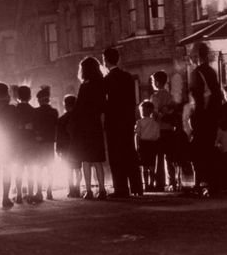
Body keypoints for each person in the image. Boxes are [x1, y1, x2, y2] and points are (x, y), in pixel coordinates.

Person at [103, 47, 143, 198]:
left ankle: (121, 188)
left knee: (116, 155)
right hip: (127, 120)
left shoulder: (106, 80)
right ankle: (137, 187)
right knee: (129, 152)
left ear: (105, 60)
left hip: (113, 121)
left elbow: (105, 102)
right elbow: (132, 100)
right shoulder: (127, 77)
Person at [68, 57, 108, 200]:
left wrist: (72, 123)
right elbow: (103, 104)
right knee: (97, 159)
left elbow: (78, 106)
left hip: (84, 124)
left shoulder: (85, 86)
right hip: (95, 123)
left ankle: (89, 190)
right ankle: (102, 189)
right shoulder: (101, 84)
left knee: (85, 159)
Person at [188, 42, 224, 196]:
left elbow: (196, 96)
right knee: (211, 150)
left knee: (200, 152)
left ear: (196, 56)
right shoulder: (212, 72)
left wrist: (193, 117)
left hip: (202, 117)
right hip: (213, 115)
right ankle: (214, 185)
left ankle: (203, 184)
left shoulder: (196, 73)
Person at [32, 85, 59, 202]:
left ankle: (38, 191)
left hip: (38, 143)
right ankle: (49, 191)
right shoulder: (54, 112)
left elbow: (34, 127)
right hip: (49, 143)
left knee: (38, 169)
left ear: (39, 100)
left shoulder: (36, 112)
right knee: (50, 169)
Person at [149, 71, 174, 190]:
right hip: (169, 129)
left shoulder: (155, 97)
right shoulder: (170, 96)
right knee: (169, 157)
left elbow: (153, 114)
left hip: (158, 130)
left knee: (158, 157)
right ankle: (172, 182)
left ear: (157, 83)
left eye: (153, 81)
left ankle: (159, 183)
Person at [14, 85, 38, 204]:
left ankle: (18, 194)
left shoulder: (14, 110)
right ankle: (30, 194)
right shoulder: (34, 110)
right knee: (31, 170)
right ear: (30, 96)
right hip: (31, 143)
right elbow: (36, 128)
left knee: (19, 169)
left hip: (18, 143)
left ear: (17, 96)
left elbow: (12, 127)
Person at [56, 95, 83, 198]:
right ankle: (78, 187)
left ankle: (71, 189)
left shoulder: (61, 119)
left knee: (68, 169)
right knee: (78, 169)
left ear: (65, 105)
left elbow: (59, 135)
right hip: (77, 146)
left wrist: (58, 149)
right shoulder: (79, 118)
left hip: (65, 147)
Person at [136, 100, 160, 191]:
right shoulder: (156, 124)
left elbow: (137, 135)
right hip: (153, 145)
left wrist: (137, 146)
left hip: (143, 144)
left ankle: (145, 185)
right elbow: (158, 136)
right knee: (152, 166)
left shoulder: (139, 122)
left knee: (144, 166)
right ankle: (152, 184)